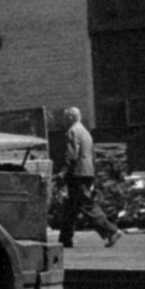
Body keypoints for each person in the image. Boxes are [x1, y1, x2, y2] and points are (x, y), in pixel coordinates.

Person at [58, 106, 122, 248]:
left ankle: (112, 232)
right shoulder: (85, 132)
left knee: (85, 204)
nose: (62, 121)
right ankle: (65, 239)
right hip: (87, 172)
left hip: (77, 173)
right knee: (71, 207)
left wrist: (63, 172)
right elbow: (92, 155)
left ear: (70, 117)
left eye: (64, 117)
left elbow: (71, 155)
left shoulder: (72, 131)